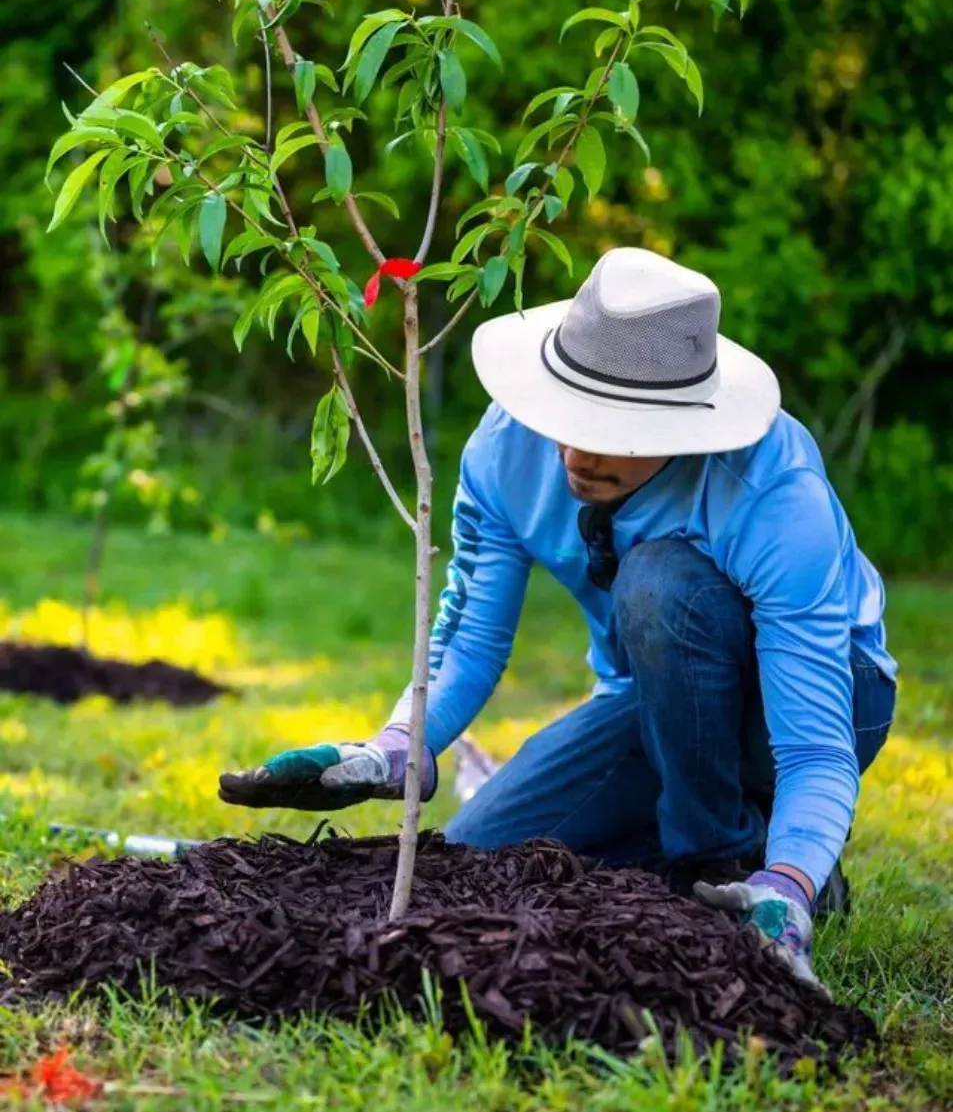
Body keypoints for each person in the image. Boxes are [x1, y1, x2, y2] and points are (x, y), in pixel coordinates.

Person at [220, 248, 897, 990]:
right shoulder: (507, 450)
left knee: (659, 581)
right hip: (652, 701)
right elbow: (469, 635)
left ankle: (739, 864)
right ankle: (740, 847)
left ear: (682, 426)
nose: (574, 449)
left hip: (820, 699)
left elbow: (813, 747)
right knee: (482, 854)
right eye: (565, 414)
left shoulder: (769, 492)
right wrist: (396, 747)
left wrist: (789, 884)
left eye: (613, 426)